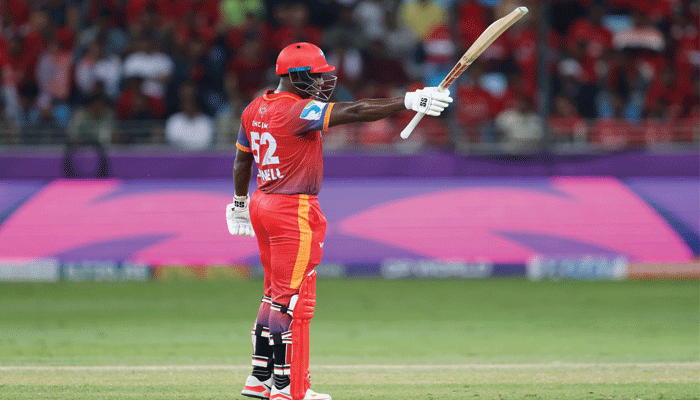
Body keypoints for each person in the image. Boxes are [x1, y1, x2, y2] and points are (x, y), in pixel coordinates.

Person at [226, 42, 451, 400]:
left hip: (262, 201)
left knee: (272, 295)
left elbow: (242, 161)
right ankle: (286, 388)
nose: (321, 83)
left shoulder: (254, 108)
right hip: (292, 209)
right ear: (296, 75)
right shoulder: (297, 110)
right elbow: (357, 110)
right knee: (289, 301)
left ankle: (259, 379)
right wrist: (409, 100)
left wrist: (239, 203)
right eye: (316, 76)